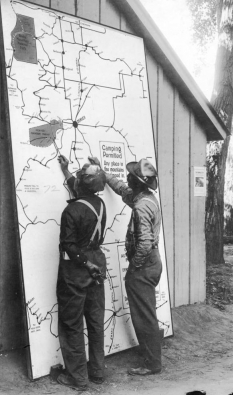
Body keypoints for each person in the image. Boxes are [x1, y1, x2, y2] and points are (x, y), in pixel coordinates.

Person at [89, 156, 162, 376]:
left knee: (144, 315)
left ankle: (152, 364)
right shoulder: (145, 197)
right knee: (146, 312)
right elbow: (121, 189)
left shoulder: (141, 206)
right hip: (151, 263)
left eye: (131, 176)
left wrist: (134, 268)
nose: (127, 177)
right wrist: (103, 171)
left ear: (139, 182)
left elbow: (145, 244)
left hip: (144, 265)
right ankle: (153, 358)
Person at [56, 155, 107, 391]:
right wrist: (66, 171)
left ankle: (77, 378)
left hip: (78, 269)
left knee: (72, 323)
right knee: (95, 320)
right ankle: (97, 372)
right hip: (97, 262)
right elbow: (80, 189)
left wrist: (84, 263)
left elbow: (69, 244)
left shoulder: (72, 211)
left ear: (82, 184)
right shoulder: (100, 204)